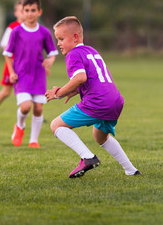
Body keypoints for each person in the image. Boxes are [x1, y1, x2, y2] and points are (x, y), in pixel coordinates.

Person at [45, 16, 141, 178]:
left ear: (75, 37)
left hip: (97, 102)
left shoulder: (73, 55)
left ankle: (88, 158)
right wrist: (73, 91)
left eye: (61, 39)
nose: (59, 43)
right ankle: (131, 170)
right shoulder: (91, 51)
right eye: (57, 39)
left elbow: (80, 78)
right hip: (115, 100)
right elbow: (92, 78)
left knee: (56, 125)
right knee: (100, 136)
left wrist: (58, 94)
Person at [3, 0, 58, 148]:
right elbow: (7, 54)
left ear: (39, 12)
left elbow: (52, 52)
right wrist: (11, 72)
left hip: (38, 75)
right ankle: (19, 126)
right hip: (21, 75)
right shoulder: (16, 31)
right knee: (26, 106)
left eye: (33, 10)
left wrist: (50, 60)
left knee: (39, 107)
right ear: (22, 11)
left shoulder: (44, 32)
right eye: (26, 10)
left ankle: (34, 140)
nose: (29, 13)